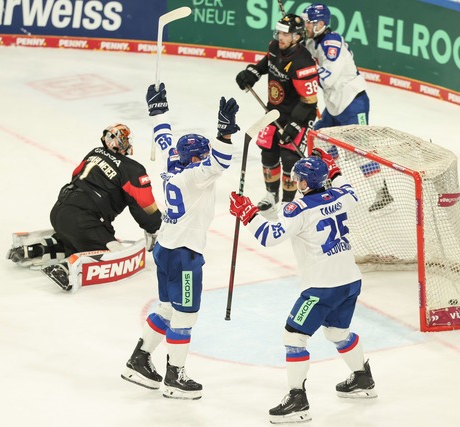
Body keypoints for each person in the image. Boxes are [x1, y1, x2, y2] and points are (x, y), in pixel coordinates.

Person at [229, 148, 377, 423]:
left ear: (306, 183)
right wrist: (333, 169)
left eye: (298, 179)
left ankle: (297, 400)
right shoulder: (344, 196)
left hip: (322, 287)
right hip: (349, 281)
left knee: (294, 337)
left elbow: (270, 237)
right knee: (336, 332)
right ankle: (362, 377)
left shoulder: (298, 209)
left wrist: (247, 214)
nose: (295, 182)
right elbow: (348, 187)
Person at [121, 82, 239, 400]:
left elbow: (163, 138)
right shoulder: (195, 176)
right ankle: (175, 378)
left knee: (167, 309)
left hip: (165, 249)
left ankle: (139, 358)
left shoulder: (172, 164)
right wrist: (224, 134)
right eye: (202, 156)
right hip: (185, 255)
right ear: (195, 159)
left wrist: (159, 110)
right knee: (185, 315)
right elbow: (221, 162)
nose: (206, 159)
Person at [7, 122, 162, 291]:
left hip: (60, 210)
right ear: (123, 142)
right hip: (85, 220)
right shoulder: (133, 170)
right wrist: (155, 228)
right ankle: (67, 268)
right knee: (111, 251)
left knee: (76, 240)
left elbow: (76, 175)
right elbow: (144, 204)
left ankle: (37, 249)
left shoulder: (94, 153)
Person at [302, 3, 393, 212]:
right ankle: (332, 186)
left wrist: (308, 71)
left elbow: (329, 79)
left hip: (353, 103)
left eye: (309, 22)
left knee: (357, 152)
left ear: (321, 24)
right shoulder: (312, 43)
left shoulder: (331, 42)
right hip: (335, 106)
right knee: (319, 140)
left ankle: (384, 194)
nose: (306, 25)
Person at [235, 13, 319, 213]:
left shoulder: (304, 62)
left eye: (285, 34)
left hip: (300, 115)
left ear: (297, 37)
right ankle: (272, 195)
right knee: (268, 155)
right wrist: (252, 73)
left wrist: (295, 125)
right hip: (274, 112)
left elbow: (310, 101)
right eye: (279, 32)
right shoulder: (275, 47)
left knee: (290, 159)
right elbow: (267, 63)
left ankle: (287, 204)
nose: (280, 37)